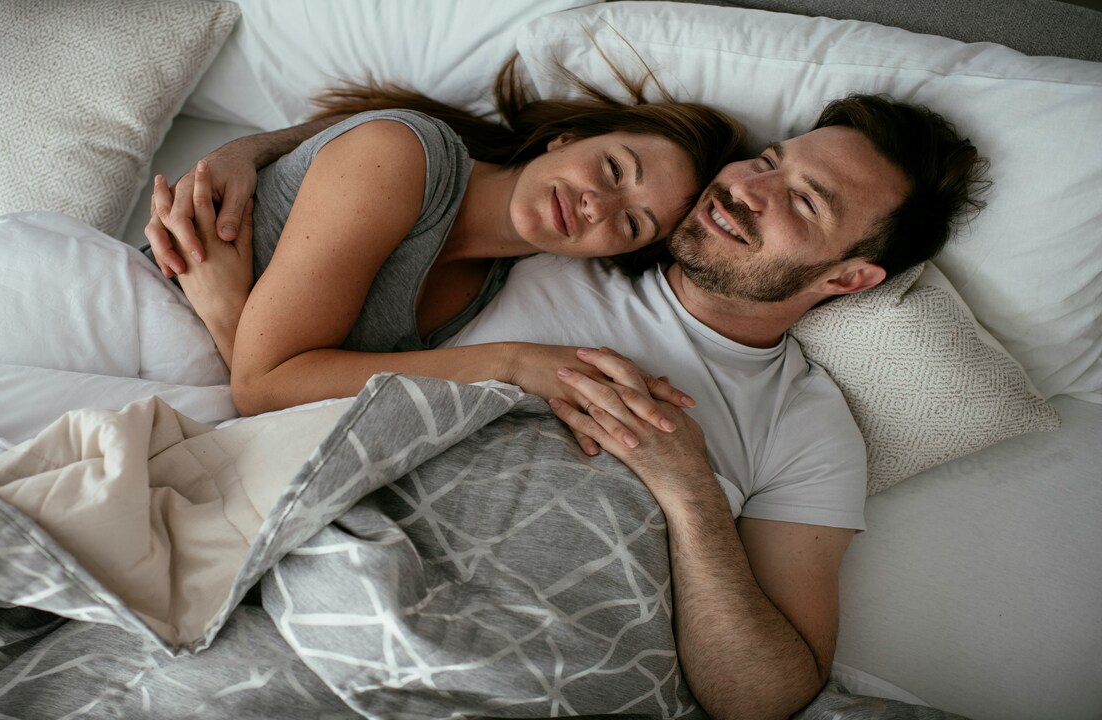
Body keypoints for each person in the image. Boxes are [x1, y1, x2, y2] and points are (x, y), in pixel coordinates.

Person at [149, 92, 989, 719]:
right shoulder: (559, 238)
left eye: (804, 201)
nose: (749, 190)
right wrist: (247, 153)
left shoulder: (809, 427)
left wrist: (690, 492)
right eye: (768, 162)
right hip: (346, 585)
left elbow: (765, 698)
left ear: (849, 278)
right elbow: (405, 159)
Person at [146, 62, 745, 452]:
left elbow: (283, 396)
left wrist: (228, 311)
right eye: (613, 169)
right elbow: (263, 390)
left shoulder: (486, 289)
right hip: (133, 312)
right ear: (566, 139)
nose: (597, 206)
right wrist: (511, 363)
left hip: (181, 395)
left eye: (632, 224)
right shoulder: (403, 153)